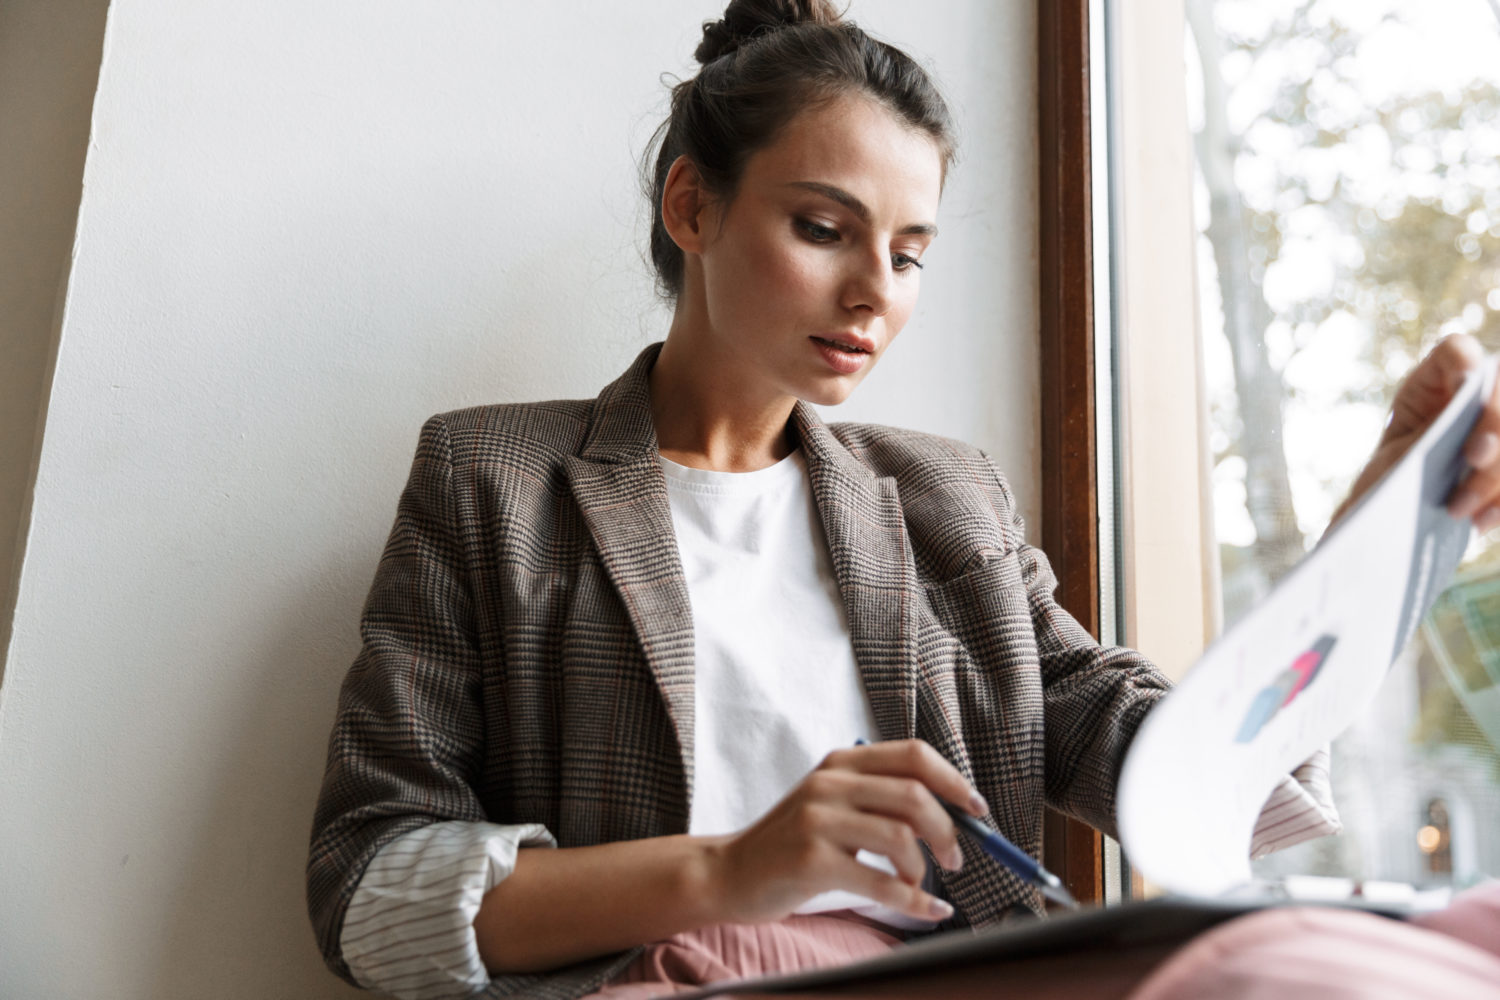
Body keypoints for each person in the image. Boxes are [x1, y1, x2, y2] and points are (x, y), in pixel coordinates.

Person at [305, 3, 1500, 998]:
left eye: (913, 251)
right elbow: (368, 887)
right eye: (825, 228)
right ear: (692, 207)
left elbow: (1174, 763)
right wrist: (733, 867)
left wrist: (1383, 535)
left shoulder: (944, 498)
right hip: (675, 971)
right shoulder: (494, 482)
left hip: (964, 969)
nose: (874, 290)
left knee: (1416, 949)